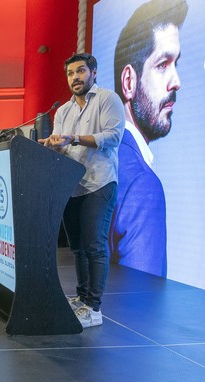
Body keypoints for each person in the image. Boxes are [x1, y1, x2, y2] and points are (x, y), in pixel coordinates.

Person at [39, 53, 125, 328]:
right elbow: (64, 146)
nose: (75, 78)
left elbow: (114, 137)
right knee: (77, 248)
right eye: (70, 73)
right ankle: (82, 297)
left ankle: (94, 308)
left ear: (93, 73)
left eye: (80, 71)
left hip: (99, 183)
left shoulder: (107, 99)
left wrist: (73, 137)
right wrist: (53, 144)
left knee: (95, 246)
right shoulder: (63, 111)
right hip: (71, 186)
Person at [109, 0, 188, 278]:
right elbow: (140, 308)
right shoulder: (143, 185)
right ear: (129, 82)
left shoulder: (105, 156)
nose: (176, 80)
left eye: (176, 63)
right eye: (163, 64)